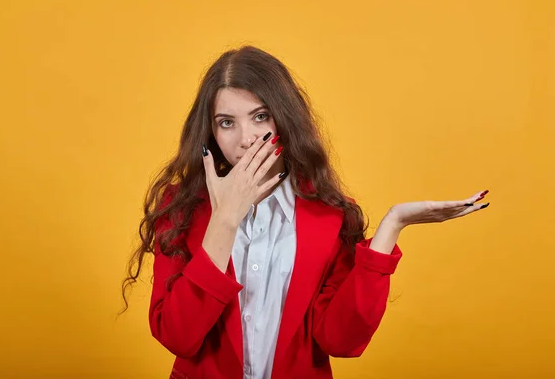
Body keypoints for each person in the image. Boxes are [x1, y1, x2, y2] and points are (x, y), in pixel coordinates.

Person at [120, 45, 490, 379]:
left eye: (260, 116)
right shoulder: (180, 208)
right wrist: (224, 221)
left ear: (284, 119)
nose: (246, 138)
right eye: (227, 122)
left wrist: (392, 225)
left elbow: (341, 341)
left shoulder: (330, 216)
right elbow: (178, 336)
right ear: (211, 132)